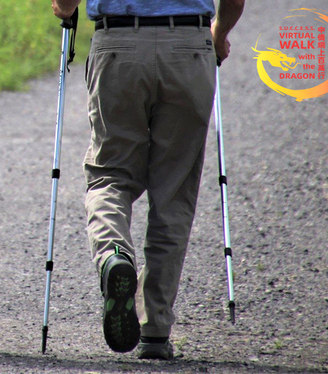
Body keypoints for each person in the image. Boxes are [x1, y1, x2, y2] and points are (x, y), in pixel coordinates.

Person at [51, 0, 245, 360]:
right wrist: (219, 33)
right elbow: (233, 1)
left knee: (109, 175)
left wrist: (64, 8)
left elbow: (65, 3)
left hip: (118, 45)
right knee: (173, 191)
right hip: (188, 47)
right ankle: (154, 326)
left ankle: (112, 253)